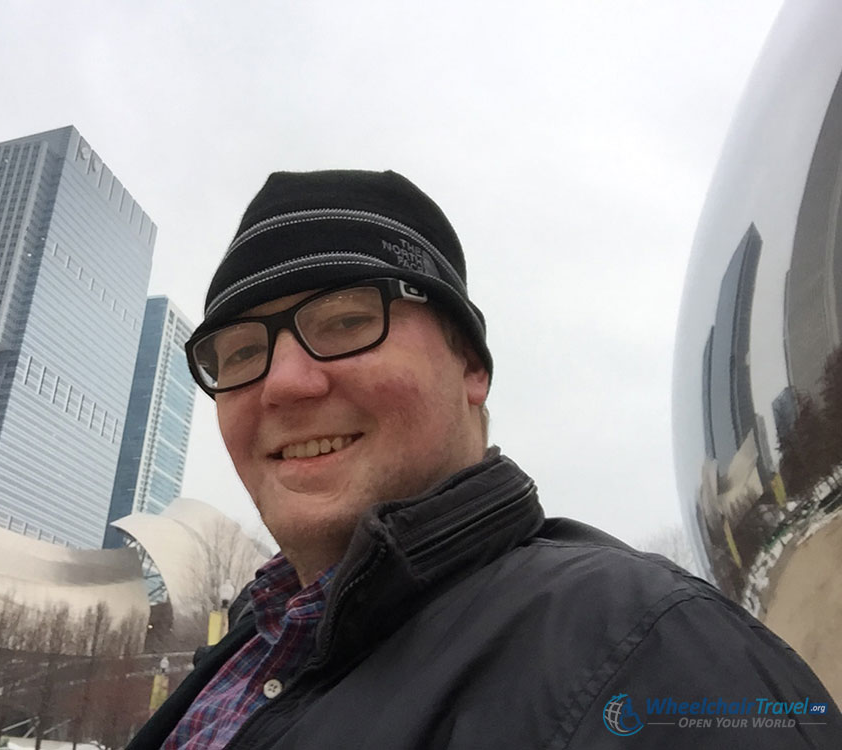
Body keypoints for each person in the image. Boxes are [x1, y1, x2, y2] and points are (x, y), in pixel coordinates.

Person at [129, 170, 839, 749]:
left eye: (345, 320)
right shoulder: (250, 647)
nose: (283, 383)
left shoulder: (656, 654)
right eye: (243, 354)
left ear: (470, 364)